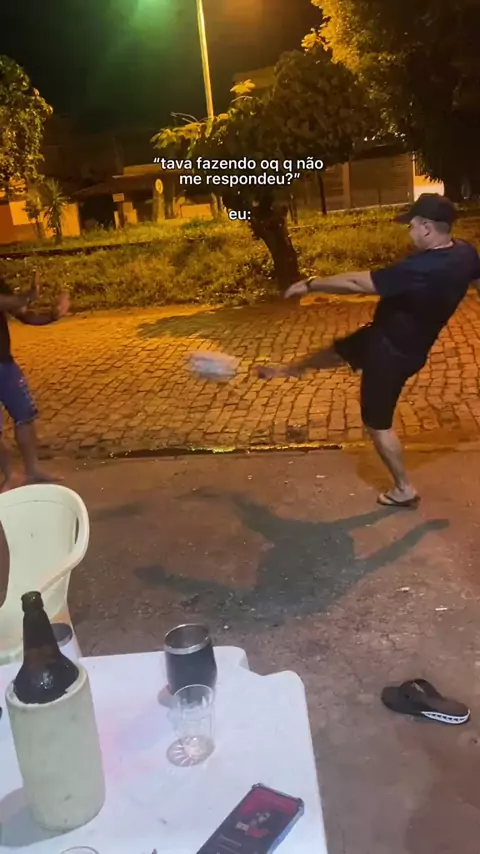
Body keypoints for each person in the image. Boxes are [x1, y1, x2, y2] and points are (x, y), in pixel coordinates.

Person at [258, 193, 480, 507]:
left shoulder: (420, 268)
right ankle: (291, 369)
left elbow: (357, 284)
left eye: (411, 226)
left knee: (377, 424)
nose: (408, 231)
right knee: (339, 350)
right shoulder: (465, 253)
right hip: (388, 337)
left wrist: (310, 284)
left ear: (427, 228)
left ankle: (403, 488)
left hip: (392, 354)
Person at [0, 270, 70, 492]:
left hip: (4, 363)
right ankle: (11, 474)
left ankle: (33, 469)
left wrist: (52, 315)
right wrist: (28, 296)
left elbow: (23, 314)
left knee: (25, 417)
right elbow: (6, 302)